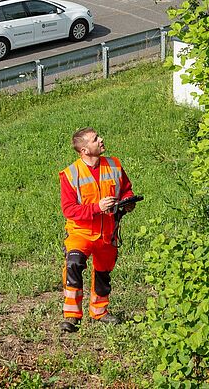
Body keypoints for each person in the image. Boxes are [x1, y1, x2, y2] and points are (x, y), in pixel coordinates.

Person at [58, 127, 136, 333]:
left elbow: (126, 188)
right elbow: (68, 209)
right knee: (73, 265)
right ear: (84, 150)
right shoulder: (69, 174)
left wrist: (127, 202)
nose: (101, 140)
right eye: (95, 139)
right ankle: (71, 316)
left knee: (103, 273)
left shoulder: (114, 165)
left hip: (108, 232)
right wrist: (97, 207)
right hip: (80, 233)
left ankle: (100, 312)